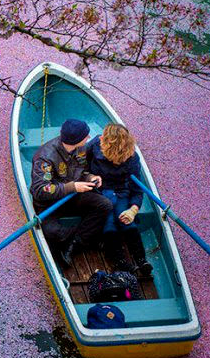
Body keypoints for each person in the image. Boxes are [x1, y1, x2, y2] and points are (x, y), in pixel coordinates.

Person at [30, 119, 112, 267]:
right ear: (76, 140)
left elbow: (82, 171)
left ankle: (74, 243)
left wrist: (90, 177)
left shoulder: (80, 149)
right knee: (50, 232)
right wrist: (72, 187)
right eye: (85, 136)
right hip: (50, 203)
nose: (88, 138)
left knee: (105, 205)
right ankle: (87, 238)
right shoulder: (45, 158)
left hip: (73, 196)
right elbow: (40, 190)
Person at [86, 123, 153, 277]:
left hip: (121, 192)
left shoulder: (132, 159)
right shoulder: (95, 145)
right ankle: (120, 261)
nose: (100, 137)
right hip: (99, 191)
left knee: (126, 219)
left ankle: (141, 260)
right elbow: (84, 164)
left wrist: (133, 210)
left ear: (110, 145)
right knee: (108, 222)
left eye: (104, 137)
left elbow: (137, 189)